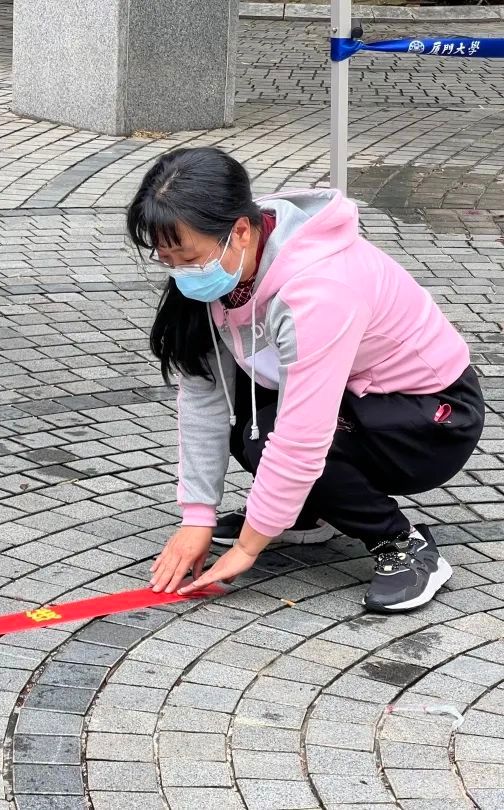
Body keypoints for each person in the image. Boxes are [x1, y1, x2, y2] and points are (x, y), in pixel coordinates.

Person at [128, 147, 483, 612]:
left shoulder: (319, 289)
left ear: (240, 231)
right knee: (247, 418)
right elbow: (205, 397)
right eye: (167, 259)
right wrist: (197, 516)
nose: (181, 273)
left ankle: (402, 543)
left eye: (189, 258)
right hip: (355, 399)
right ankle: (306, 513)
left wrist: (247, 547)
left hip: (430, 418)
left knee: (270, 435)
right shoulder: (228, 262)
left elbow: (301, 437)